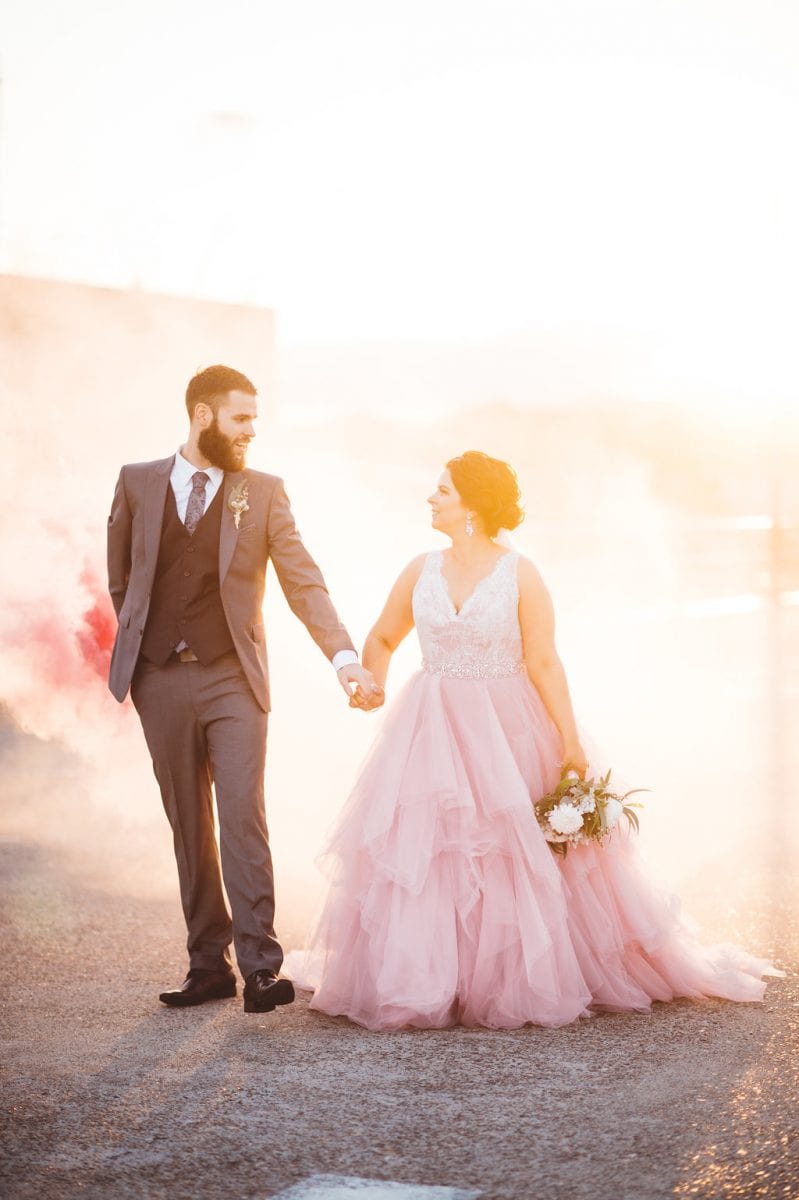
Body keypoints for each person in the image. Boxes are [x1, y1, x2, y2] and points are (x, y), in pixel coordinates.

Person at [286, 450, 782, 1030]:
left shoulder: (520, 573)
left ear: (472, 504)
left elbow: (544, 660)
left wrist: (569, 743)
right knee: (432, 852)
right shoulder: (419, 567)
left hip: (508, 726)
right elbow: (383, 636)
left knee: (509, 848)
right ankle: (432, 977)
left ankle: (515, 977)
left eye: (442, 491)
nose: (431, 499)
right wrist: (369, 682)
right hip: (430, 725)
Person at [106, 365, 383, 1013]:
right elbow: (121, 578)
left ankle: (261, 967)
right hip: (159, 679)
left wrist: (343, 656)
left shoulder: (262, 493)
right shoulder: (137, 482)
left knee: (240, 814)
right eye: (241, 419)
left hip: (233, 677)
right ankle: (208, 966)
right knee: (188, 823)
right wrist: (143, 653)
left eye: (255, 420)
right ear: (202, 416)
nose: (251, 431)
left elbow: (303, 582)